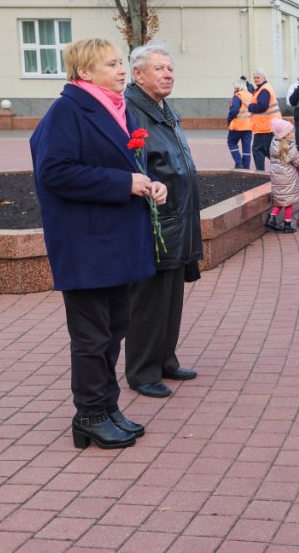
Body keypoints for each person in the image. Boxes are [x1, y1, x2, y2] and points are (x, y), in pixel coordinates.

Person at [30, 38, 163, 449]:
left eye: (121, 62)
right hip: (86, 244)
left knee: (115, 328)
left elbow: (115, 164)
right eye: (112, 64)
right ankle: (88, 414)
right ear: (85, 72)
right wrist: (125, 182)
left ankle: (107, 407)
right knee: (92, 336)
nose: (122, 70)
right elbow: (55, 172)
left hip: (114, 242)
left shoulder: (113, 108)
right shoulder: (68, 111)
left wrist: (147, 183)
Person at [124, 42, 202, 399]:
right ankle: (142, 371)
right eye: (159, 68)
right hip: (154, 220)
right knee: (149, 300)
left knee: (171, 295)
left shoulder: (162, 108)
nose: (168, 73)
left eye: (170, 68)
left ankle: (165, 359)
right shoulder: (131, 111)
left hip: (177, 217)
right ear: (138, 74)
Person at [266, 117, 299, 233]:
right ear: (285, 135)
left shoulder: (274, 144)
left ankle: (272, 218)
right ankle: (287, 225)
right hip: (288, 178)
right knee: (288, 202)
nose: (293, 134)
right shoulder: (290, 147)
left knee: (281, 200)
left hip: (277, 178)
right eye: (291, 132)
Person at [247, 68, 281, 171]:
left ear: (263, 77)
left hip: (265, 127)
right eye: (254, 78)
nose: (256, 80)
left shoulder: (264, 90)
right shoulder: (264, 88)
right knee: (267, 151)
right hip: (268, 126)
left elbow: (262, 106)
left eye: (258, 77)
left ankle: (260, 174)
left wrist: (250, 106)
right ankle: (281, 169)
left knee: (257, 150)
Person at [227, 79, 253, 169]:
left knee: (231, 142)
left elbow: (234, 110)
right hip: (249, 126)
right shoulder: (250, 95)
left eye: (235, 87)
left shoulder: (238, 96)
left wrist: (229, 120)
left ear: (238, 87)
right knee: (246, 147)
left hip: (237, 125)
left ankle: (238, 162)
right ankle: (246, 167)